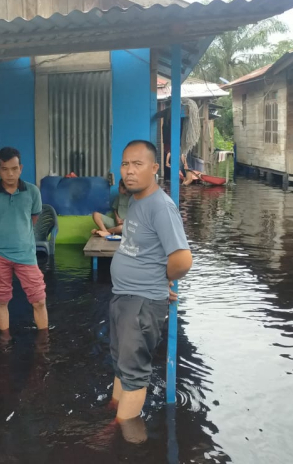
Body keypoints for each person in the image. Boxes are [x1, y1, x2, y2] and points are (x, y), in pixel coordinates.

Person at [109, 140, 193, 440]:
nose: (129, 171)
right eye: (125, 164)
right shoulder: (136, 201)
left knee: (134, 376)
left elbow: (182, 259)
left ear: (155, 168)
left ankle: (128, 442)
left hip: (141, 304)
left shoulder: (160, 206)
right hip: (125, 297)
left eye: (137, 164)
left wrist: (161, 281)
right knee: (122, 363)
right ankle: (114, 412)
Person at [0, 147, 48, 332]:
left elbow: (32, 220)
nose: (10, 173)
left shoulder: (33, 192)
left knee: (39, 300)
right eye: (5, 169)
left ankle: (44, 344)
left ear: (21, 168)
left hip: (26, 254)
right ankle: (5, 342)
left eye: (14, 168)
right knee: (2, 300)